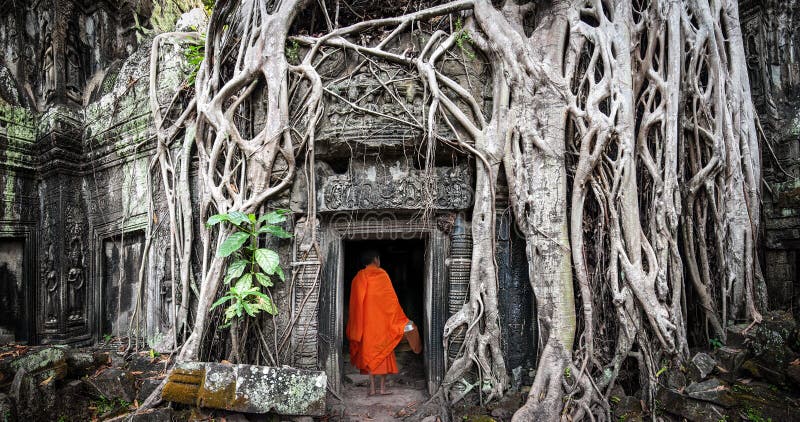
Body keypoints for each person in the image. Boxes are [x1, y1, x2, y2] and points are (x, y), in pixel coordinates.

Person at [346, 249, 415, 396]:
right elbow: (391, 302)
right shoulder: (381, 275)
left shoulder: (357, 278)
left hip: (366, 325)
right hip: (382, 324)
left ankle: (372, 389)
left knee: (370, 354)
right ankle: (382, 389)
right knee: (383, 353)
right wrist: (401, 319)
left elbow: (354, 306)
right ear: (376, 259)